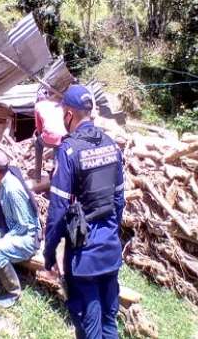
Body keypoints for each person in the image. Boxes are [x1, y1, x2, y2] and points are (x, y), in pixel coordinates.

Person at [43, 84, 125, 339]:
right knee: (110, 322)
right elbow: (119, 200)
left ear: (69, 114)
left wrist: (49, 251)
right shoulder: (112, 146)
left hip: (84, 256)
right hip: (110, 250)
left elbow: (58, 210)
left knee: (88, 325)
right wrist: (111, 234)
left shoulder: (69, 151)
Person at [0, 150, 41, 308]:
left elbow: (25, 225)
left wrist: (4, 239)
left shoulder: (12, 189)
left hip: (27, 238)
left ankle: (13, 292)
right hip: (12, 230)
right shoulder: (2, 183)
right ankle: (1, 273)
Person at [34, 86, 67, 181]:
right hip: (62, 138)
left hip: (48, 138)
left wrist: (41, 135)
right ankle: (56, 174)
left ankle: (38, 177)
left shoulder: (38, 106)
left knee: (37, 144)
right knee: (57, 150)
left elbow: (39, 127)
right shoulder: (59, 104)